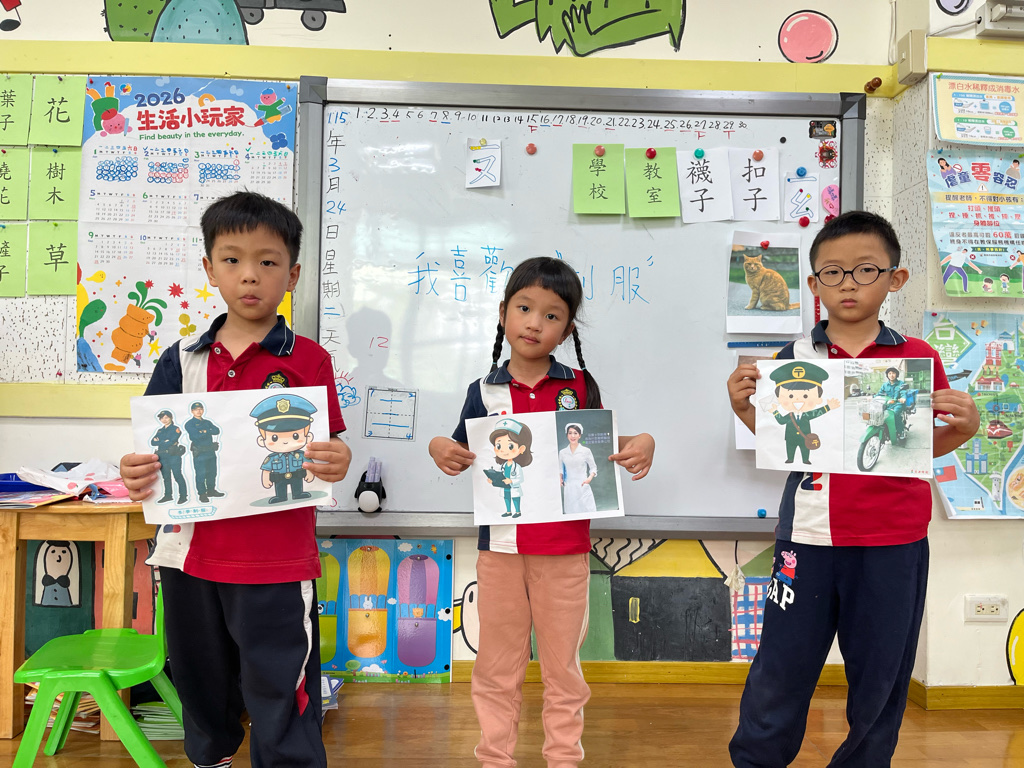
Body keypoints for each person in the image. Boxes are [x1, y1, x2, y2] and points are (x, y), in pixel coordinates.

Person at [726, 211, 979, 768]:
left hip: (893, 542)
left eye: (866, 270)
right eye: (832, 272)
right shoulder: (792, 359)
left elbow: (914, 448)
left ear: (895, 279)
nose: (848, 284)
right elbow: (785, 441)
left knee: (881, 671)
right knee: (781, 666)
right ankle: (757, 759)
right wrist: (745, 409)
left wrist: (963, 430)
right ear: (812, 284)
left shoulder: (917, 357)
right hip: (807, 537)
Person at [119, 191, 352, 768]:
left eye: (268, 262)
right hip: (188, 556)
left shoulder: (309, 361)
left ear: (292, 275)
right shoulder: (182, 359)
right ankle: (210, 759)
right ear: (209, 269)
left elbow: (330, 447)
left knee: (280, 687)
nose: (250, 275)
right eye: (232, 259)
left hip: (277, 561)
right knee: (200, 682)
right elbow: (149, 451)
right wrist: (135, 470)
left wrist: (337, 459)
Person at [428, 256, 655, 768]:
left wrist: (641, 440)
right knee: (496, 666)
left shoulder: (580, 387)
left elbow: (597, 444)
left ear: (567, 330)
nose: (535, 323)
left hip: (564, 551)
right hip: (501, 551)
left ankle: (563, 758)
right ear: (503, 313)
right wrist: (439, 446)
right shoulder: (483, 392)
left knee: (563, 669)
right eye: (525, 308)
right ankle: (494, 758)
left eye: (551, 315)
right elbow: (460, 449)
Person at [183, 401, 222, 503]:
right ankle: (202, 494)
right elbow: (195, 436)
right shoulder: (189, 424)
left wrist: (204, 431)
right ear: (192, 411)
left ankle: (211, 491)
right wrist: (207, 431)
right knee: (201, 474)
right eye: (196, 409)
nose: (198, 411)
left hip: (210, 451)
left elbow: (217, 430)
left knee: (212, 472)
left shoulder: (207, 422)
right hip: (199, 452)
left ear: (203, 410)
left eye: (200, 409)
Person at [559, 422, 598, 516]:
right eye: (570, 433)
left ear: (579, 435)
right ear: (567, 435)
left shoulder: (586, 451)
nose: (572, 436)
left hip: (582, 484)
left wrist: (589, 479)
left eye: (575, 433)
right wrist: (560, 479)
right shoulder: (562, 452)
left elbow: (593, 467)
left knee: (586, 511)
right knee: (571, 513)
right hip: (569, 486)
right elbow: (560, 469)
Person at [151, 409, 187, 504]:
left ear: (171, 417)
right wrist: (165, 441)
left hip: (173, 455)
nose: (164, 419)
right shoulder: (160, 430)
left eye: (166, 417)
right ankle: (168, 496)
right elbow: (152, 442)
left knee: (177, 476)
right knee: (166, 477)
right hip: (162, 455)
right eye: (162, 418)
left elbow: (171, 441)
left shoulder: (175, 429)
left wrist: (160, 441)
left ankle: (183, 496)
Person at [878, 366, 907, 437]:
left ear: (896, 374)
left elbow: (903, 392)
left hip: (898, 404)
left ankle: (900, 431)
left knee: (895, 414)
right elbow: (879, 394)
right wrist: (872, 397)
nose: (891, 375)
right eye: (889, 373)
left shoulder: (901, 383)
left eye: (893, 373)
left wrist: (903, 398)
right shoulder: (885, 385)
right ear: (887, 375)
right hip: (888, 404)